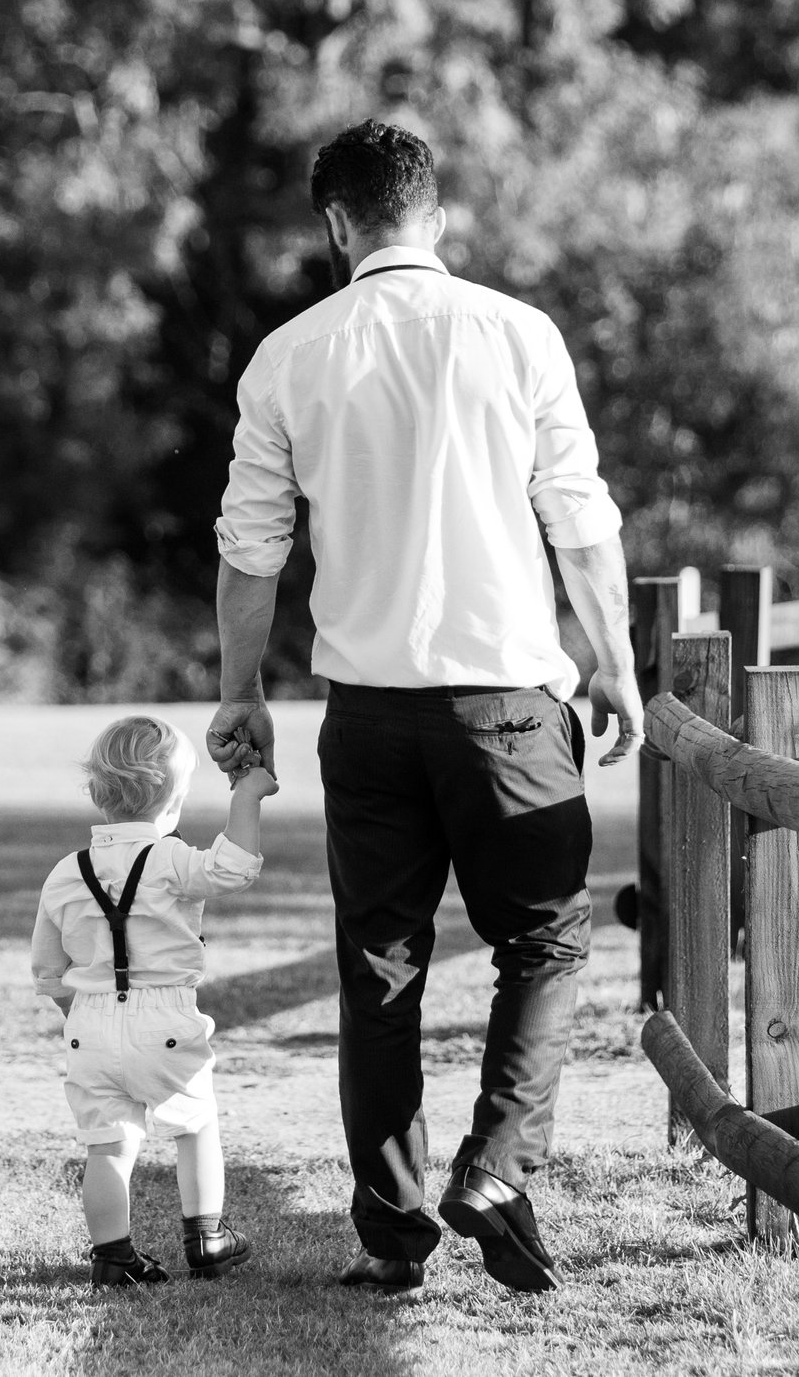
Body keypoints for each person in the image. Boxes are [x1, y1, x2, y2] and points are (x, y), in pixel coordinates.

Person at [208, 120, 642, 1295]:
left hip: (366, 716)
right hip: (507, 708)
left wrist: (241, 687)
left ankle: (392, 1234)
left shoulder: (286, 355)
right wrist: (613, 660)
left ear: (335, 224)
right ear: (434, 217)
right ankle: (496, 1167)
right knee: (543, 939)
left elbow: (251, 545)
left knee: (379, 971)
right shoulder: (518, 332)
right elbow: (577, 516)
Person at [29, 716, 270, 1286]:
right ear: (174, 799)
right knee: (195, 1125)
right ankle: (206, 1237)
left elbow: (47, 968)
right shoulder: (169, 859)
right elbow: (233, 868)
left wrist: (76, 1011)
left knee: (107, 1147)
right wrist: (248, 795)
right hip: (164, 1017)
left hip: (89, 1024)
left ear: (97, 792)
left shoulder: (66, 872)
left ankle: (114, 1256)